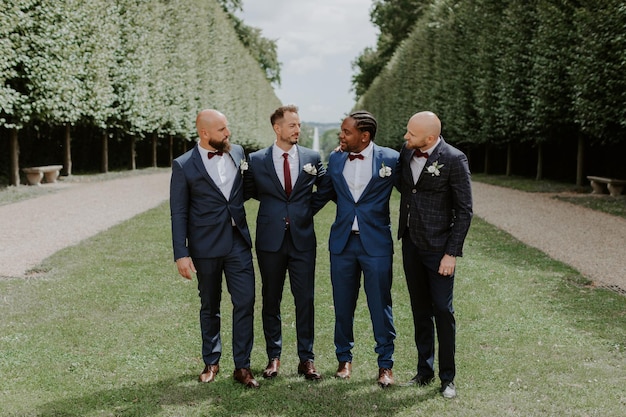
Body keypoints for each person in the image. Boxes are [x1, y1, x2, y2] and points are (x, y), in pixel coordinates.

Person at [170, 109, 259, 389]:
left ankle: (242, 366)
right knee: (210, 305)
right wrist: (181, 253)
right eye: (221, 129)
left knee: (245, 301)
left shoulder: (239, 153)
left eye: (227, 127)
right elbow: (179, 212)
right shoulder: (183, 165)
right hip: (204, 246)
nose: (228, 133)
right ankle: (211, 360)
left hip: (237, 242)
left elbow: (244, 190)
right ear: (205, 133)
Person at [244, 105, 328, 380]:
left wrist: (304, 210)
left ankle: (307, 359)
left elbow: (326, 187)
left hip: (303, 240)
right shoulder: (256, 160)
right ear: (277, 128)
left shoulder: (312, 157)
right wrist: (276, 209)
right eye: (292, 125)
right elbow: (249, 190)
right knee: (271, 299)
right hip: (270, 241)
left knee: (305, 300)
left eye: (299, 125)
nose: (297, 130)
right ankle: (274, 357)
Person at [317, 110, 399, 388]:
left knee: (380, 305)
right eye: (341, 130)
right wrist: (293, 212)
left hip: (376, 244)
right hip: (342, 243)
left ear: (364, 136)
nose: (341, 135)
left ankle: (385, 365)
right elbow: (326, 191)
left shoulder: (391, 159)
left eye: (346, 131)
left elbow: (414, 192)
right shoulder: (337, 157)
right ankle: (344, 360)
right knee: (342, 304)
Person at [397, 111, 473, 399]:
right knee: (420, 311)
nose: (406, 137)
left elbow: (464, 210)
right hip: (411, 245)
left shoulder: (454, 159)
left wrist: (451, 254)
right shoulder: (407, 154)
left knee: (443, 311)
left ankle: (447, 377)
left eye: (411, 134)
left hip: (439, 250)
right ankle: (424, 371)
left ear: (430, 138)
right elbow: (404, 186)